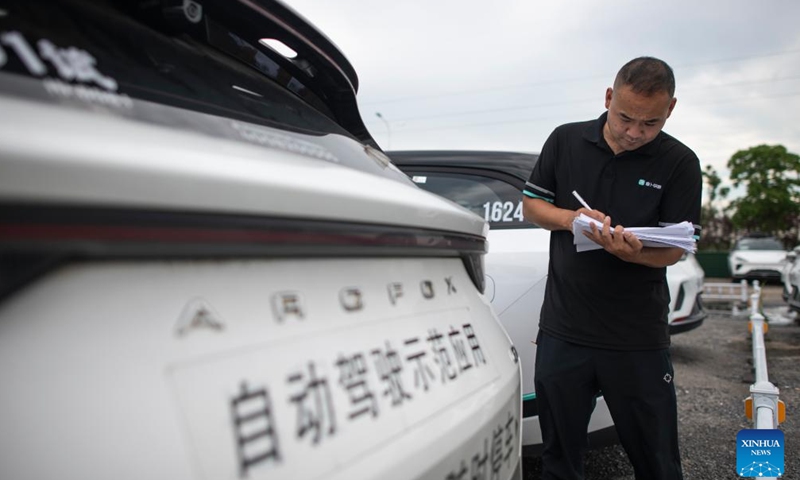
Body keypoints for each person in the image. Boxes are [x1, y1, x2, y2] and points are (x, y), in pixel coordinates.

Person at [522, 56, 701, 480]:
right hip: (565, 329)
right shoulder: (565, 140)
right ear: (608, 98)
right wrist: (571, 219)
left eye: (650, 123)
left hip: (637, 336)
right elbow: (532, 205)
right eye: (625, 118)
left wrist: (631, 253)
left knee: (657, 461)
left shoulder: (680, 162)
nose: (635, 132)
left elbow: (675, 249)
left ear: (670, 109)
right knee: (559, 460)